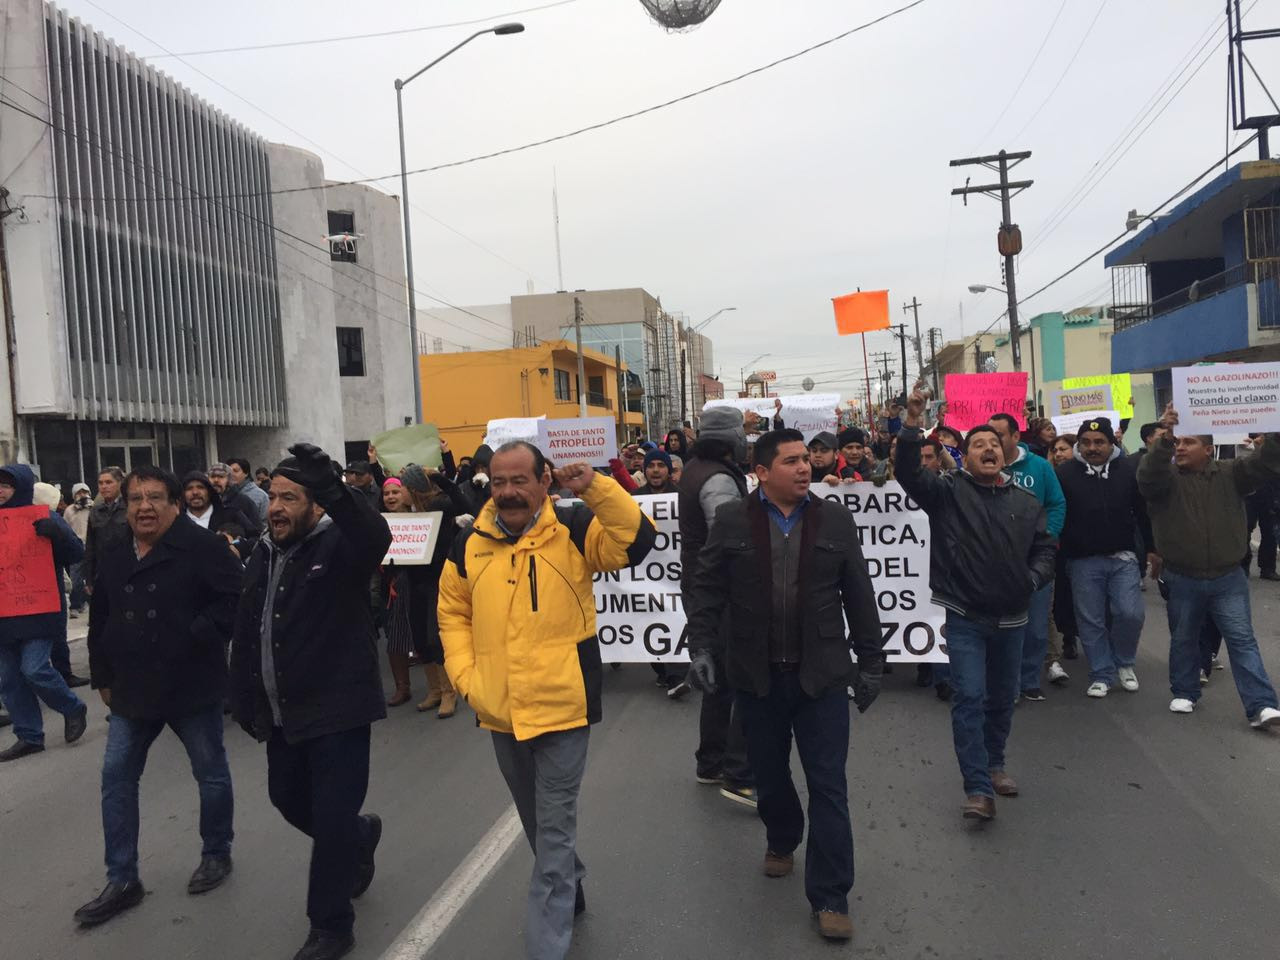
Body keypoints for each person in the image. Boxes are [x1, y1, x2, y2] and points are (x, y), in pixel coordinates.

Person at [438, 442, 655, 960]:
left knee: (553, 831)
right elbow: (452, 613)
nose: (508, 492)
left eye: (519, 481)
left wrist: (597, 486)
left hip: (563, 708)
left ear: (544, 481)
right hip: (500, 711)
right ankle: (569, 883)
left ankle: (546, 943)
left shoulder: (575, 529)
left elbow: (635, 541)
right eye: (498, 482)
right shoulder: (468, 543)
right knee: (535, 822)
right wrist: (468, 680)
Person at [686, 429, 883, 941]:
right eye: (791, 461)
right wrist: (702, 647)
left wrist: (872, 661)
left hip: (821, 676)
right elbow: (706, 587)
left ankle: (831, 895)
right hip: (756, 677)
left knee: (829, 785)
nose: (804, 468)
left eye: (806, 460)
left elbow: (858, 592)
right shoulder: (733, 520)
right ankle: (782, 837)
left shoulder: (834, 518)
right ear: (762, 472)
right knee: (770, 779)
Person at [230, 443, 392, 960]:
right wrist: (242, 695)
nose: (276, 506)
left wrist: (333, 488)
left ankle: (330, 926)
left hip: (337, 711)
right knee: (287, 799)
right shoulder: (262, 550)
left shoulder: (339, 547)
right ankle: (358, 835)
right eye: (272, 496)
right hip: (283, 713)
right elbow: (248, 624)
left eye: (290, 497)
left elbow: (375, 535)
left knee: (328, 817)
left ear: (316, 506)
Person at [74, 465, 243, 927]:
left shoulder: (205, 548)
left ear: (174, 504)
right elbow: (101, 618)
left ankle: (216, 852)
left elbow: (234, 602)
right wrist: (102, 676)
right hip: (131, 688)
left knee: (210, 773)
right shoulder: (113, 551)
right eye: (134, 499)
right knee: (116, 778)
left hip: (191, 683)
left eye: (154, 498)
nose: (143, 507)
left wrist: (192, 636)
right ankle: (122, 878)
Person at [897, 394, 1056, 820]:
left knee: (1003, 698)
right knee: (970, 696)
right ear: (964, 458)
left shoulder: (1025, 502)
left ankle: (995, 763)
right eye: (977, 444)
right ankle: (978, 787)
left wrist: (1033, 579)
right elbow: (908, 472)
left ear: (1005, 455)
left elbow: (1044, 549)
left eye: (994, 444)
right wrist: (913, 421)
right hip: (965, 616)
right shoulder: (947, 494)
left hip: (1012, 617)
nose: (988, 448)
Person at [1138, 406, 1280, 728]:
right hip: (1183, 576)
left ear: (1208, 449)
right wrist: (1164, 439)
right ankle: (1186, 691)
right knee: (1184, 637)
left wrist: (1274, 433)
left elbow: (1267, 462)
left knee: (1242, 640)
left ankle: (1261, 706)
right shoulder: (1164, 481)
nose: (1181, 447)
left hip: (1228, 576)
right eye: (1178, 442)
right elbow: (1147, 475)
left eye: (1189, 442)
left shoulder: (1232, 473)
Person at [678, 407, 756, 805]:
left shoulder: (696, 469)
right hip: (721, 591)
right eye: (742, 431)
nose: (747, 438)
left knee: (718, 679)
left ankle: (711, 761)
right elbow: (729, 532)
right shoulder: (718, 480)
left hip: (701, 586)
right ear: (730, 438)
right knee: (741, 675)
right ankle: (740, 772)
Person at [1055, 417, 1151, 698]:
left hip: (1123, 558)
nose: (1092, 448)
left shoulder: (1127, 471)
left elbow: (1143, 513)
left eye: (1099, 442)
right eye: (1085, 442)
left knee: (1129, 613)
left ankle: (1124, 663)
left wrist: (1153, 549)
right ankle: (1101, 673)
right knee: (1091, 620)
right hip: (1082, 560)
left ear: (1112, 444)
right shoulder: (1065, 474)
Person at [0, 464, 89, 762]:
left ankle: (72, 706)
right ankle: (29, 736)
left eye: (6, 485)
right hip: (3, 614)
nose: (0, 490)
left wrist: (57, 537)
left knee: (35, 669)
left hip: (38, 610)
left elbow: (77, 554)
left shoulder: (45, 517)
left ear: (22, 487)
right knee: (9, 678)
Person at [987, 413, 1065, 702]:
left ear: (1016, 437)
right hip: (994, 562)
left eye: (999, 436)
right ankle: (1006, 683)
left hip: (1035, 559)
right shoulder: (982, 468)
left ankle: (1029, 679)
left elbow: (1056, 504)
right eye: (989, 437)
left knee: (1035, 625)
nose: (993, 443)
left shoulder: (1041, 467)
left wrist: (1048, 538)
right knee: (1000, 626)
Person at [382, 465, 469, 715]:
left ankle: (448, 692)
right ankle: (434, 690)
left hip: (438, 581)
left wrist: (440, 477)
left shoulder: (438, 506)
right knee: (420, 638)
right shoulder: (405, 514)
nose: (399, 493)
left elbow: (463, 505)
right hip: (414, 580)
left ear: (413, 489)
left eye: (404, 488)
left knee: (435, 637)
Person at [84, 466, 129, 596]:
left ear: (120, 483)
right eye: (100, 483)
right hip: (102, 572)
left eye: (109, 482)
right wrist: (89, 579)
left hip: (127, 570)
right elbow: (90, 547)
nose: (104, 486)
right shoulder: (95, 511)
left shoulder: (130, 508)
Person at [181, 471, 261, 537]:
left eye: (200, 487)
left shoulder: (232, 515)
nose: (195, 492)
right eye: (189, 488)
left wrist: (239, 548)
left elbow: (256, 538)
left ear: (209, 492)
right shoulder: (177, 520)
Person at [65, 481, 94, 615]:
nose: (82, 495)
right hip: (76, 546)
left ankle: (90, 603)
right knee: (76, 578)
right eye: (79, 493)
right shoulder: (70, 510)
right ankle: (75, 605)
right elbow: (65, 528)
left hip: (92, 546)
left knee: (93, 577)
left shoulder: (95, 508)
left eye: (84, 492)